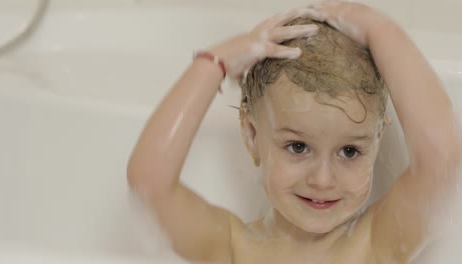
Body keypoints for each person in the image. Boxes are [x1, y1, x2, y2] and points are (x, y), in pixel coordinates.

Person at [127, 1, 461, 263]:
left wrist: (381, 30)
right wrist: (216, 61)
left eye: (349, 151)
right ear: (252, 136)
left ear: (377, 141)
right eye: (298, 147)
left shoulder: (376, 240)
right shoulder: (232, 246)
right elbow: (150, 183)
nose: (322, 180)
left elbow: (442, 159)